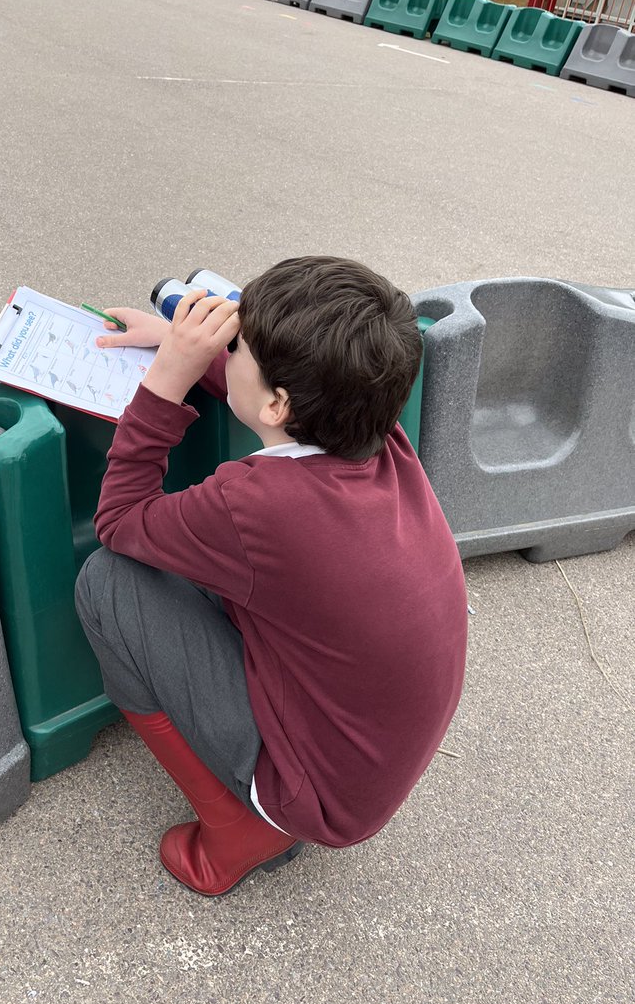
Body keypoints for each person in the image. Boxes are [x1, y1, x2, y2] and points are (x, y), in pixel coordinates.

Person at [74, 256, 467, 897]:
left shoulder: (259, 504)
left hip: (315, 794)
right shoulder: (374, 429)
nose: (227, 356)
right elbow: (277, 399)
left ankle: (241, 825)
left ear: (281, 402)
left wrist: (165, 383)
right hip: (372, 760)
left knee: (107, 583)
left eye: (237, 350)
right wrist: (181, 343)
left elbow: (118, 520)